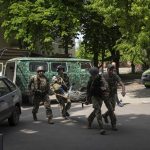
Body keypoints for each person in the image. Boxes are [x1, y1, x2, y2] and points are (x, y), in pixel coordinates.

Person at [85, 67, 116, 135]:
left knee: (111, 109)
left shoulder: (101, 78)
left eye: (94, 74)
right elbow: (88, 90)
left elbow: (106, 86)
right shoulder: (90, 80)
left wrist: (104, 90)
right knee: (97, 110)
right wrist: (87, 99)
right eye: (92, 75)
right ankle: (101, 128)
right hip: (95, 96)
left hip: (103, 95)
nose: (93, 76)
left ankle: (114, 124)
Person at [102, 64, 126, 130]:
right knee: (111, 110)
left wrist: (123, 90)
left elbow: (122, 84)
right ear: (107, 69)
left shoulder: (115, 75)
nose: (111, 71)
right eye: (110, 70)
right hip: (106, 95)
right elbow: (99, 84)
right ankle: (114, 124)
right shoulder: (103, 75)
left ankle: (105, 115)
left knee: (112, 109)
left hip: (113, 95)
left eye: (112, 70)